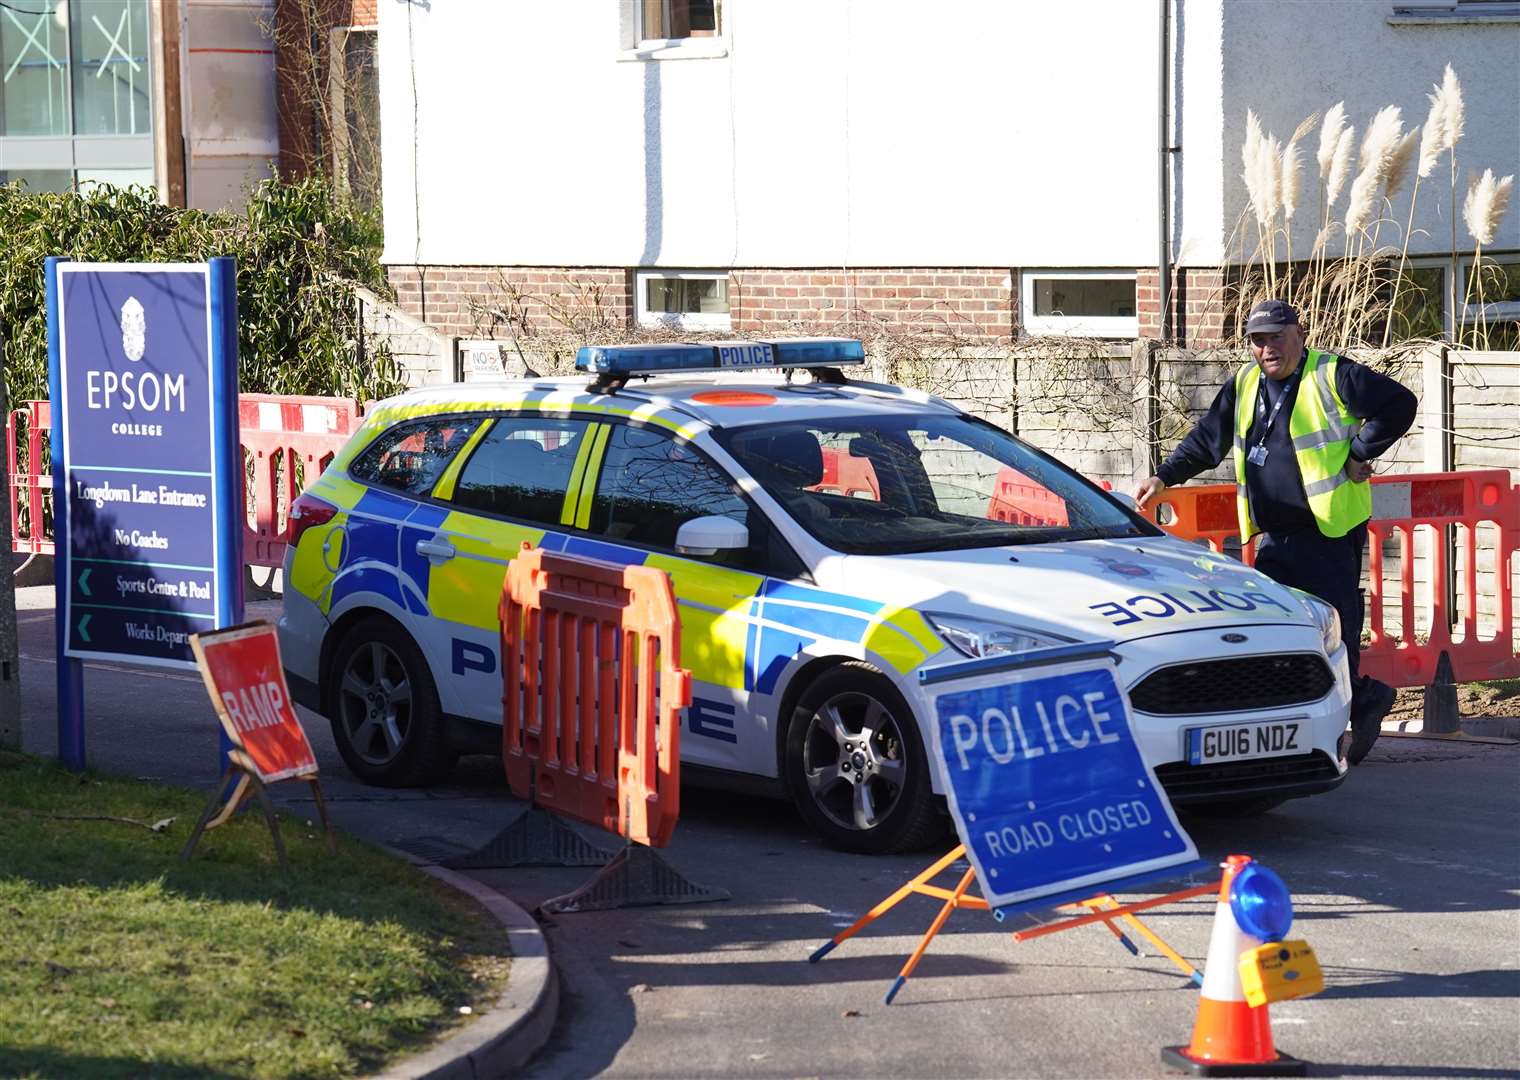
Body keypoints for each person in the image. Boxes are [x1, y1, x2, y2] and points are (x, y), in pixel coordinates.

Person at [1134, 299, 1417, 765]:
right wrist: (1164, 475)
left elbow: (1399, 403)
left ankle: (1357, 704)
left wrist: (1360, 451)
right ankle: (1340, 707)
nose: (1267, 349)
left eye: (1276, 337)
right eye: (1258, 340)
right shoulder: (1246, 382)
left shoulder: (1331, 375)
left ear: (1299, 335)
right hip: (1275, 534)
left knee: (1330, 627)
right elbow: (1209, 438)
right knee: (1285, 630)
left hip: (1326, 530)